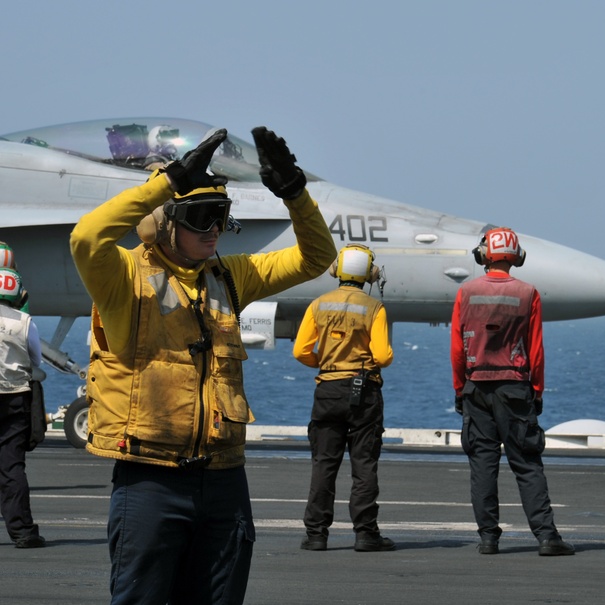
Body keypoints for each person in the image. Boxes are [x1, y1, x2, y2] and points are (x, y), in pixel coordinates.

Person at [69, 127, 336, 604]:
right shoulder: (125, 277)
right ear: (164, 221)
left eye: (220, 215)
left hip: (223, 479)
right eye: (200, 216)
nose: (214, 227)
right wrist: (167, 181)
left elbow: (318, 258)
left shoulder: (229, 277)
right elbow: (87, 237)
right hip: (150, 478)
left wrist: (295, 193)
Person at [450, 227, 574, 556]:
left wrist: (460, 389)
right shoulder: (528, 293)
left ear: (484, 255)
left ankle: (488, 538)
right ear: (516, 256)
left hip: (476, 387)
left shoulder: (466, 292)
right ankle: (546, 537)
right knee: (527, 463)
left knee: (483, 464)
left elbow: (457, 350)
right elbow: (536, 349)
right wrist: (537, 391)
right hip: (516, 389)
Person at [292, 244, 395, 552]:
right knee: (363, 464)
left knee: (324, 463)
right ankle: (365, 533)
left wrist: (326, 363)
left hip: (327, 389)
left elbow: (300, 351)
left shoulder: (318, 304)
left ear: (336, 270)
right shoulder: (374, 308)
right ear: (369, 274)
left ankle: (316, 534)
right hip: (363, 392)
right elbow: (383, 356)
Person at [0, 268, 45, 549]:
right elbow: (37, 360)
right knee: (12, 467)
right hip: (14, 397)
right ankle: (23, 533)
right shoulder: (24, 321)